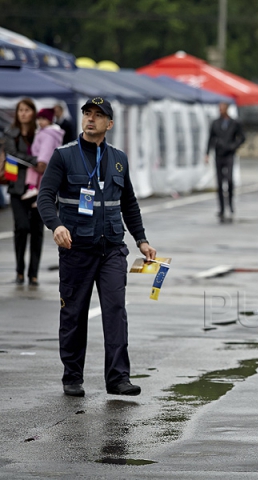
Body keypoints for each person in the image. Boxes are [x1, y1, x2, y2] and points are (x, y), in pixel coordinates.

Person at [37, 97, 156, 397]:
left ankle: (118, 378)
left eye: (98, 115)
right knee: (74, 314)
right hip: (76, 248)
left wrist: (141, 240)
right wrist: (57, 226)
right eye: (87, 113)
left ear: (109, 124)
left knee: (116, 310)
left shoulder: (118, 158)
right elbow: (44, 197)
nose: (91, 119)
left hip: (112, 248)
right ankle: (72, 376)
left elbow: (128, 203)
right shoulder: (63, 156)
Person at [3, 98, 45, 286]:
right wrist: (35, 161)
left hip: (38, 188)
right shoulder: (11, 133)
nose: (23, 113)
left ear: (33, 113)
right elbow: (12, 155)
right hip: (18, 188)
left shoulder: (42, 133)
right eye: (20, 110)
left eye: (27, 110)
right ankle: (20, 269)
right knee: (22, 227)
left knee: (37, 230)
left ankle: (33, 273)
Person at [204, 102, 245, 222]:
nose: (220, 111)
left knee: (230, 180)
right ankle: (221, 207)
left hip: (229, 154)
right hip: (219, 154)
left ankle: (230, 204)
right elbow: (210, 138)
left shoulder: (235, 122)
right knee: (220, 182)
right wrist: (207, 153)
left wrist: (233, 146)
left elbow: (242, 137)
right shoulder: (215, 123)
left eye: (222, 109)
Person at [24, 109, 64, 202]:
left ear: (49, 120)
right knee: (43, 180)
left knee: (33, 171)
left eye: (43, 119)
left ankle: (32, 188)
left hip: (42, 161)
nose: (40, 121)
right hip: (47, 161)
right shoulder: (45, 132)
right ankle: (39, 198)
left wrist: (41, 161)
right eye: (39, 119)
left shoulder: (48, 133)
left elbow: (46, 149)